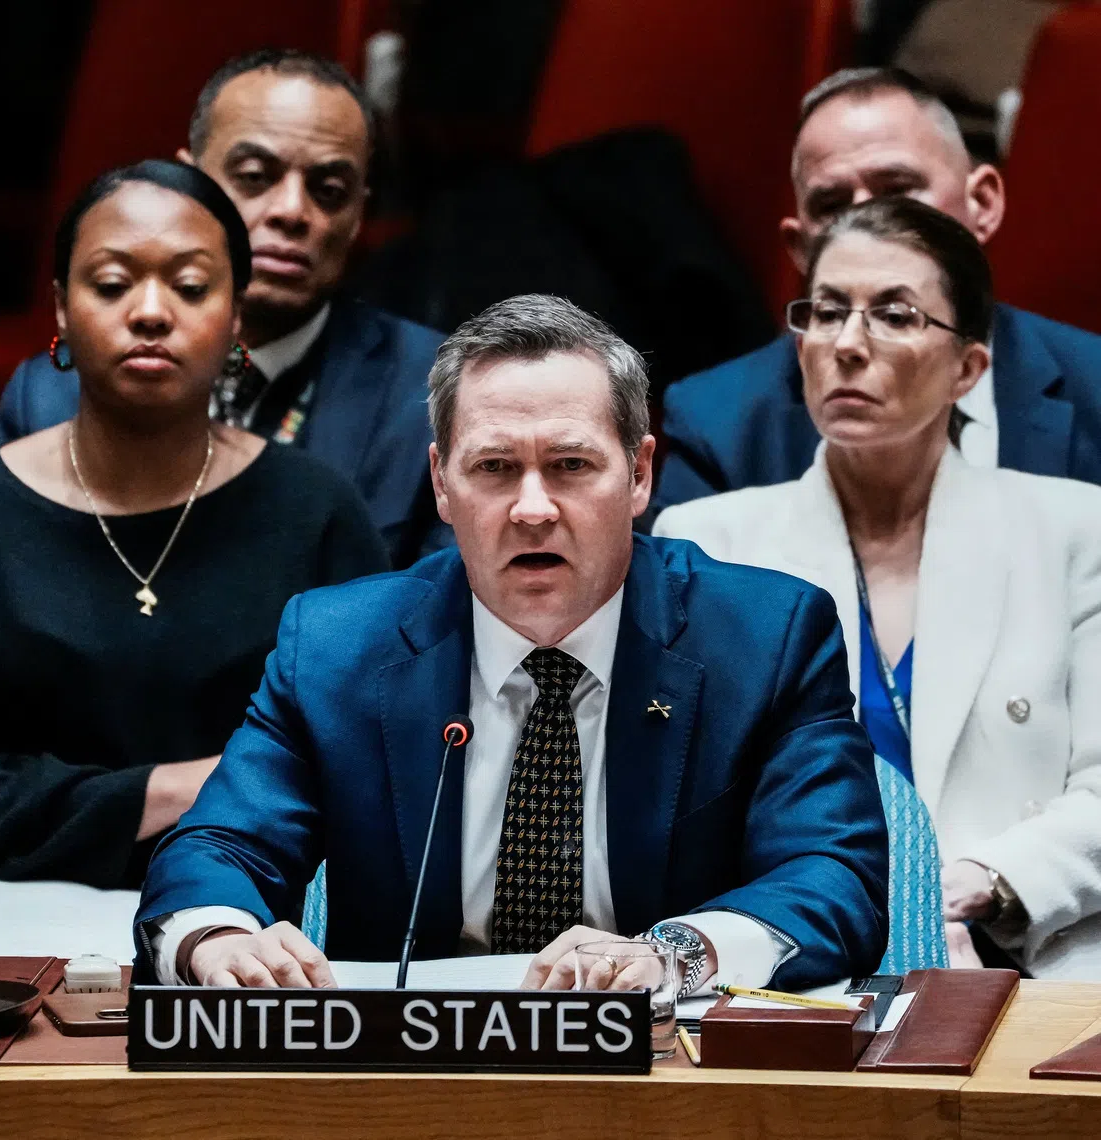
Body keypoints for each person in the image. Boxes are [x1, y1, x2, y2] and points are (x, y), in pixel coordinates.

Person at [135, 293, 888, 993]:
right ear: (440, 482)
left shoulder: (765, 639)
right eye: (495, 468)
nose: (532, 509)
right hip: (416, 1083)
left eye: (570, 466)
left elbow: (832, 875)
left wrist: (674, 954)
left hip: (666, 1081)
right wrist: (217, 938)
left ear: (639, 474)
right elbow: (220, 846)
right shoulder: (337, 648)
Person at [655, 197, 1101, 980]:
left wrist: (974, 887)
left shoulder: (1073, 531)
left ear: (968, 367)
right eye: (825, 313)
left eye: (895, 315)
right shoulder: (706, 542)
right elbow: (685, 813)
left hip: (1027, 952)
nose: (848, 345)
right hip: (798, 967)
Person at [0, 161, 389, 927]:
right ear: (60, 306)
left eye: (191, 287)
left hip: (260, 943)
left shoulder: (316, 510)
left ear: (235, 321)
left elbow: (374, 766)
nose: (151, 312)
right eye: (112, 282)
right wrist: (186, 788)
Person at [0, 49, 447, 568]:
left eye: (330, 191)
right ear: (187, 183)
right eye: (254, 176)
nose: (293, 211)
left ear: (360, 210)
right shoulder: (47, 399)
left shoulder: (434, 392)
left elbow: (444, 626)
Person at [654, 67, 1101, 513]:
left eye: (898, 191)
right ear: (799, 248)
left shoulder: (1094, 386)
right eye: (832, 205)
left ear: (981, 203)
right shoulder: (718, 421)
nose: (868, 226)